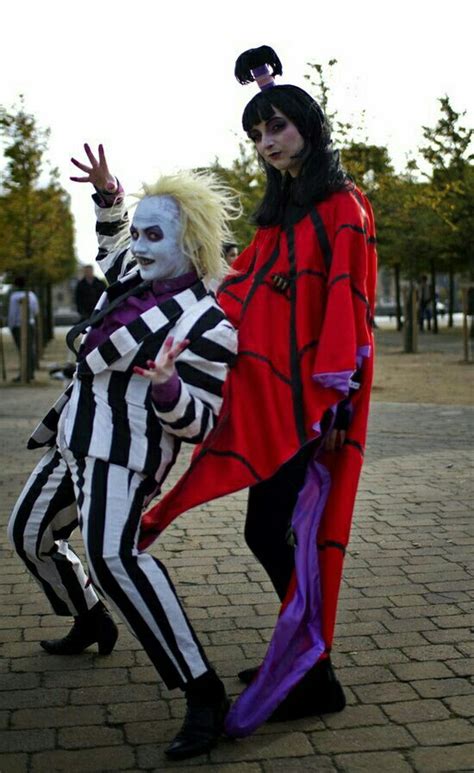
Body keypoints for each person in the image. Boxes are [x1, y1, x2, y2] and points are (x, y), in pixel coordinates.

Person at [139, 46, 377, 737]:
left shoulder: (342, 207)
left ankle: (316, 672)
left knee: (269, 528)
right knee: (275, 528)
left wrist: (341, 406)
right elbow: (242, 291)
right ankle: (307, 661)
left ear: (307, 123)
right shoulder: (283, 214)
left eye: (276, 127)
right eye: (256, 134)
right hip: (273, 398)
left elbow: (351, 309)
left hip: (314, 404)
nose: (267, 143)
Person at [8, 144, 239, 761]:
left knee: (115, 558)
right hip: (71, 435)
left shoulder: (208, 321)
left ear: (188, 243)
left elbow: (200, 422)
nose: (138, 244)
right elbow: (114, 247)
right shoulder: (136, 276)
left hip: (124, 453)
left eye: (153, 234)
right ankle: (88, 617)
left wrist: (166, 386)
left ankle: (202, 690)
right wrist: (111, 198)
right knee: (28, 534)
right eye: (138, 232)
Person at [8, 276, 40, 381]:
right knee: (29, 348)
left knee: (22, 350)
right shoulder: (31, 295)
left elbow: (12, 314)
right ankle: (30, 372)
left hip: (17, 326)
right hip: (29, 324)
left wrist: (11, 325)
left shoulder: (14, 297)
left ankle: (24, 373)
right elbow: (36, 311)